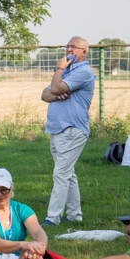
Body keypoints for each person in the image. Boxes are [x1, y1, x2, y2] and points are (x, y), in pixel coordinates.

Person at [40, 36, 96, 226]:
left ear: (84, 52)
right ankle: (74, 215)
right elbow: (45, 94)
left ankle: (52, 218)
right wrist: (57, 93)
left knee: (61, 174)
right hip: (58, 130)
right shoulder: (69, 71)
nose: (69, 49)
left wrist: (59, 69)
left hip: (72, 130)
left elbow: (55, 87)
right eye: (68, 46)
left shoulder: (84, 72)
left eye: (74, 47)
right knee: (68, 173)